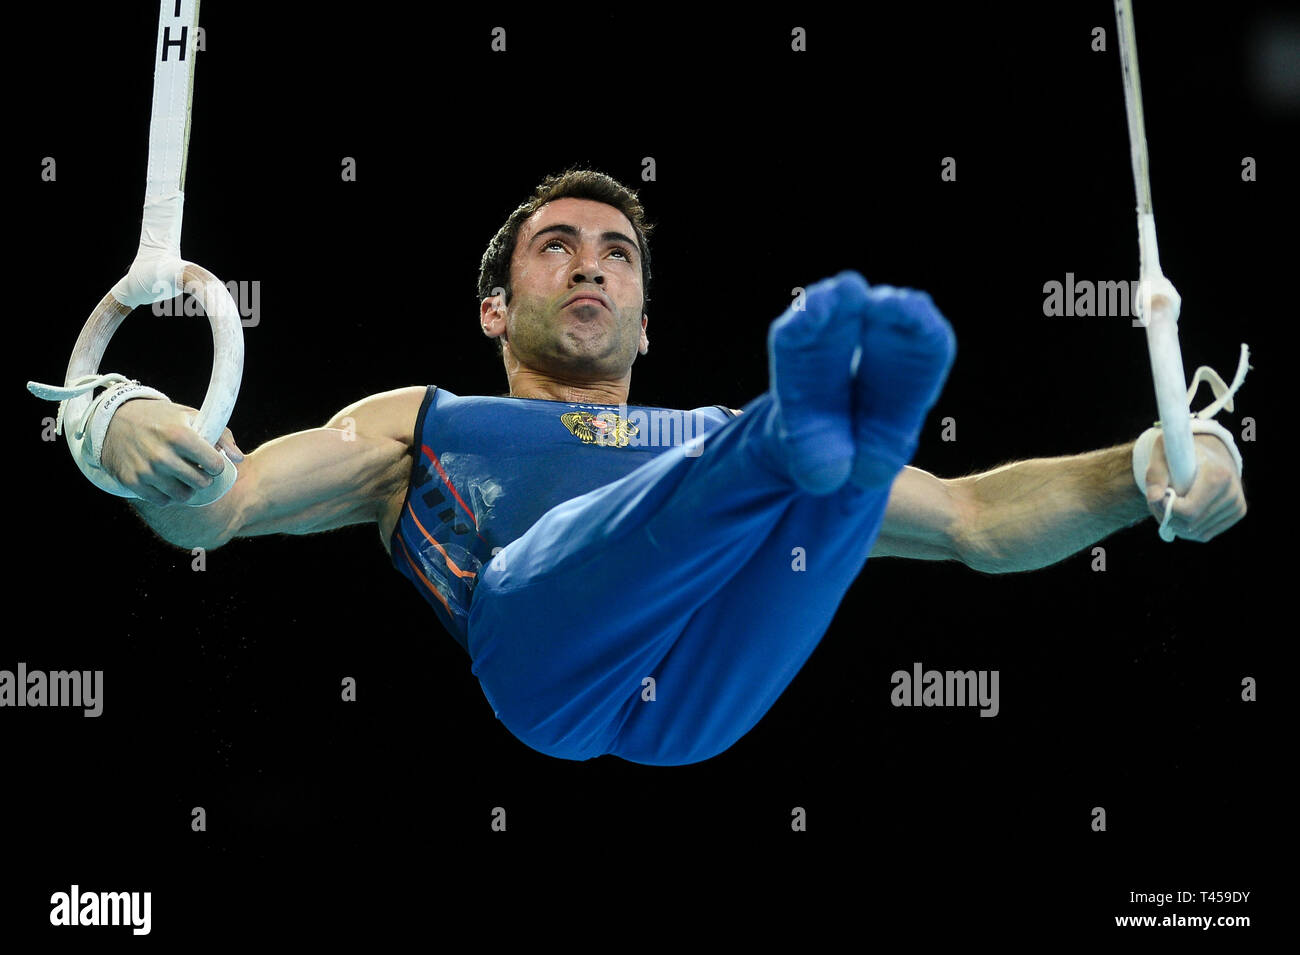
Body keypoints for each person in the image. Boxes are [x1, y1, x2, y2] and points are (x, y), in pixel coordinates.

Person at [100, 169, 1248, 766]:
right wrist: (133, 435)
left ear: (647, 320)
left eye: (617, 254)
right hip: (547, 665)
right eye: (558, 247)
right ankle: (814, 431)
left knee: (826, 477)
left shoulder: (707, 424)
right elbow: (232, 504)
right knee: (760, 456)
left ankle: (845, 436)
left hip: (713, 681)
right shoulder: (425, 422)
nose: (589, 267)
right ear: (496, 306)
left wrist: (1149, 465)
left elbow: (976, 522)